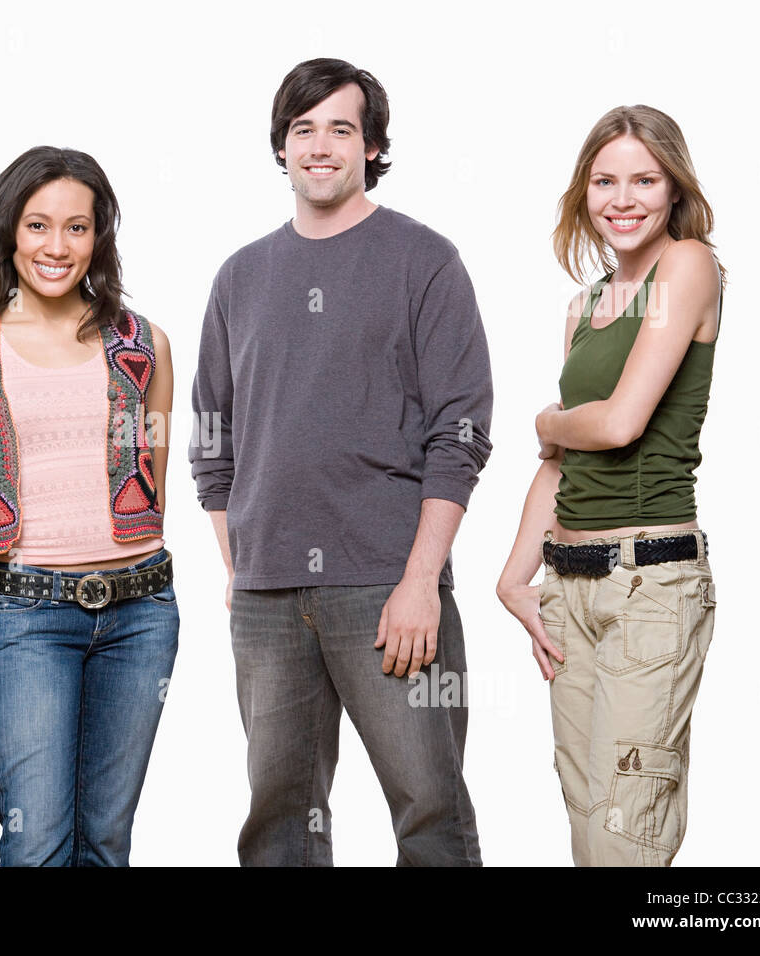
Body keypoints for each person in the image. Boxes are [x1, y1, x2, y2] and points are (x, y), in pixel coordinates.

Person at [188, 58, 493, 866]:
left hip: (387, 586)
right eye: (302, 129)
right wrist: (241, 558)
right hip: (265, 597)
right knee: (278, 827)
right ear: (282, 147)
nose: (320, 146)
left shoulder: (424, 261)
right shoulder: (239, 277)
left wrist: (421, 582)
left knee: (431, 813)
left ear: (372, 145)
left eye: (340, 128)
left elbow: (461, 435)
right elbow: (211, 441)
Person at [0, 146, 178, 866]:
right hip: (27, 617)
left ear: (100, 238)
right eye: (38, 226)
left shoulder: (144, 343)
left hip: (141, 614)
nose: (56, 246)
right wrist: (12, 608)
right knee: (36, 841)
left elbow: (149, 487)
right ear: (9, 231)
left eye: (77, 227)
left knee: (106, 840)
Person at [496, 105, 723, 866]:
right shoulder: (584, 307)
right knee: (589, 826)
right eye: (604, 181)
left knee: (627, 834)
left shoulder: (688, 265)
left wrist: (549, 417)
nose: (623, 199)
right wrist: (513, 577)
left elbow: (620, 424)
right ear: (582, 193)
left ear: (673, 188)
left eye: (644, 179)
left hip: (650, 584)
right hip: (570, 589)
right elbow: (558, 464)